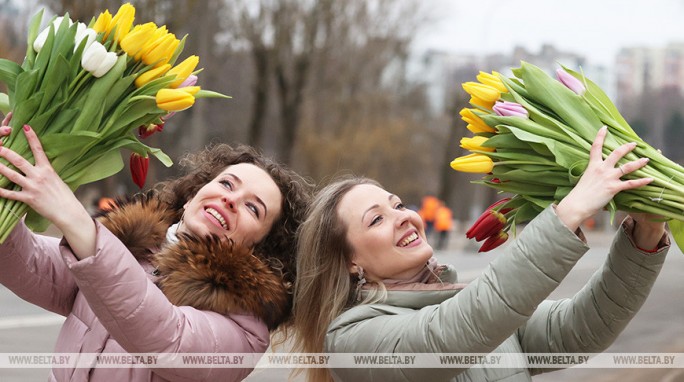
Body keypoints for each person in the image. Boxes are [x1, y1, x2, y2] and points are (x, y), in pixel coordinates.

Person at [291, 126, 670, 382]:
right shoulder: (349, 339)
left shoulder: (459, 298)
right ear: (349, 261)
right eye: (376, 220)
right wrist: (569, 212)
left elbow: (583, 328)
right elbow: (452, 334)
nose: (404, 217)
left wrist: (646, 234)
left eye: (397, 204)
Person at [0, 122, 313, 381]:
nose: (230, 200)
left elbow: (166, 336)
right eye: (228, 184)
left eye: (252, 208)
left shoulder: (246, 327)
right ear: (193, 196)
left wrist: (79, 224)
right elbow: (31, 265)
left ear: (261, 247)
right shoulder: (130, 247)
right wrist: (6, 183)